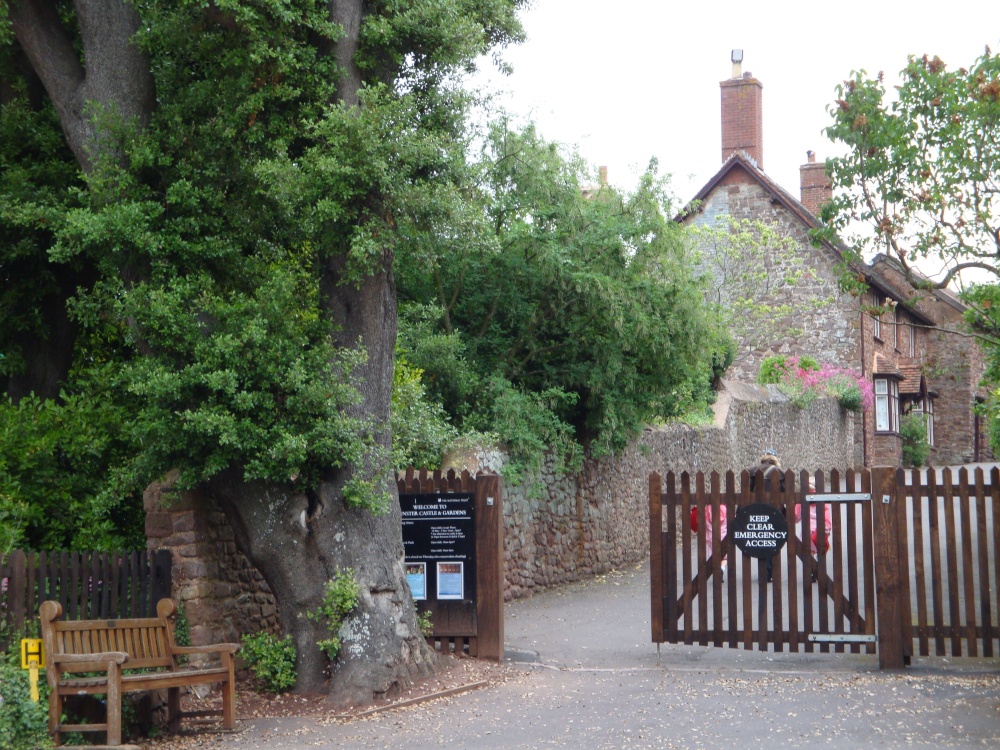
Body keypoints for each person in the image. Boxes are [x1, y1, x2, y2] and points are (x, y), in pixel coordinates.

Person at [745, 449, 785, 582]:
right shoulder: (779, 472)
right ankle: (770, 571)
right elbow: (786, 494)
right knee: (772, 540)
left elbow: (746, 493)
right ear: (775, 459)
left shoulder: (751, 471)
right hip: (774, 511)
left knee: (760, 538)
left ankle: (764, 571)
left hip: (757, 510)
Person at [794, 478, 833, 582]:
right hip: (818, 530)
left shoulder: (801, 501)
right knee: (820, 551)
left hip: (806, 530)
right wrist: (827, 527)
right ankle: (818, 571)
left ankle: (811, 572)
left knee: (807, 553)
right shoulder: (822, 501)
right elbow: (827, 518)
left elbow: (796, 517)